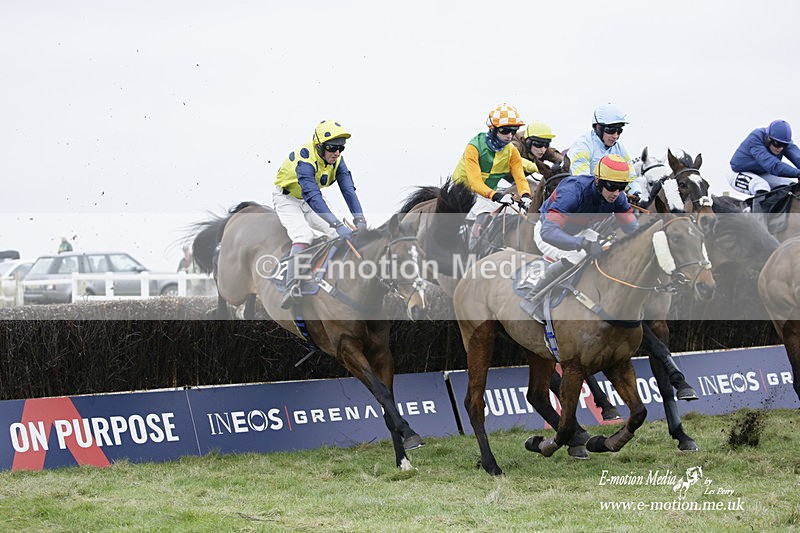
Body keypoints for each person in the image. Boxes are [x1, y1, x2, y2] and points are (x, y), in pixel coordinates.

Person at [273, 119, 366, 309]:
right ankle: (291, 287)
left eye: (341, 147)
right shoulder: (305, 161)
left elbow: (348, 190)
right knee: (303, 235)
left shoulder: (338, 160)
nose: (337, 152)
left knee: (336, 237)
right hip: (288, 199)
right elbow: (314, 197)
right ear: (319, 145)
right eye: (332, 147)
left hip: (308, 200)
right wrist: (338, 225)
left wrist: (360, 219)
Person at [452, 103, 533, 249]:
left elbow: (520, 178)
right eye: (505, 131)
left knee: (514, 214)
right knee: (484, 211)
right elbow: (475, 183)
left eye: (513, 131)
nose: (509, 136)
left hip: (488, 193)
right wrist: (496, 196)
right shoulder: (474, 147)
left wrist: (526, 195)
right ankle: (472, 252)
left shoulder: (512, 151)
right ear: (493, 129)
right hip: (464, 191)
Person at [566, 103, 642, 201]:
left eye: (619, 131)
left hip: (608, 196)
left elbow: (631, 176)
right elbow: (583, 179)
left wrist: (635, 192)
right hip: (580, 198)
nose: (615, 136)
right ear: (598, 128)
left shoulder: (619, 148)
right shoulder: (582, 145)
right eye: (611, 130)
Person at [727, 119, 800, 196]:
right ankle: (751, 208)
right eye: (777, 144)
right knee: (762, 186)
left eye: (784, 145)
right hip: (738, 172)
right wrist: (798, 173)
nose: (781, 148)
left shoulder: (781, 141)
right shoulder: (755, 139)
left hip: (762, 173)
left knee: (791, 186)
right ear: (768, 138)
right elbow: (773, 166)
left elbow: (797, 157)